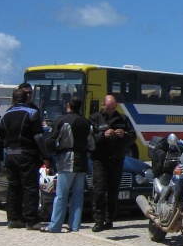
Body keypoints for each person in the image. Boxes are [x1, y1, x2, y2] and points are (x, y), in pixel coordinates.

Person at [42, 95, 94, 233]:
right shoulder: (86, 122)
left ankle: (55, 225)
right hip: (82, 159)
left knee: (61, 194)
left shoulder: (62, 120)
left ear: (68, 106)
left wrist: (53, 153)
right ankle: (75, 224)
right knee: (78, 195)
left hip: (67, 158)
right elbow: (91, 144)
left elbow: (50, 140)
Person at [0, 87, 45, 229]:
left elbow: (1, 136)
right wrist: (45, 154)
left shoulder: (5, 115)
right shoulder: (32, 113)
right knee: (30, 187)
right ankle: (31, 220)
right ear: (26, 99)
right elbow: (38, 136)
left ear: (13, 100)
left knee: (13, 187)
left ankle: (13, 218)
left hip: (10, 154)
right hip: (27, 154)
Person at [89, 95, 135, 232]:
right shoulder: (94, 118)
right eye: (108, 108)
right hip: (100, 160)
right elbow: (90, 140)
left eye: (113, 108)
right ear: (103, 105)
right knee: (99, 190)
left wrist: (124, 135)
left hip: (116, 159)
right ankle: (98, 220)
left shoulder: (123, 118)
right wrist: (103, 135)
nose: (111, 110)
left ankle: (109, 219)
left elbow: (132, 138)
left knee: (113, 191)